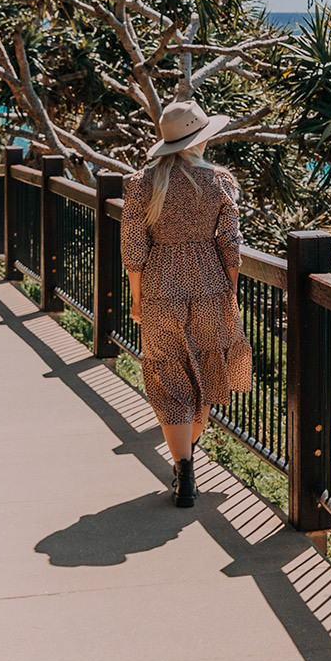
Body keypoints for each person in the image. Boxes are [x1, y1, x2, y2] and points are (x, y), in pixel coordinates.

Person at [120, 101, 250, 508]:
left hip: (160, 286)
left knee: (167, 377)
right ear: (202, 137)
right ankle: (188, 454)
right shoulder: (220, 181)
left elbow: (133, 249)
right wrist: (230, 293)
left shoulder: (142, 183)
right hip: (210, 285)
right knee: (207, 370)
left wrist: (138, 301)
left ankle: (183, 469)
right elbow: (231, 245)